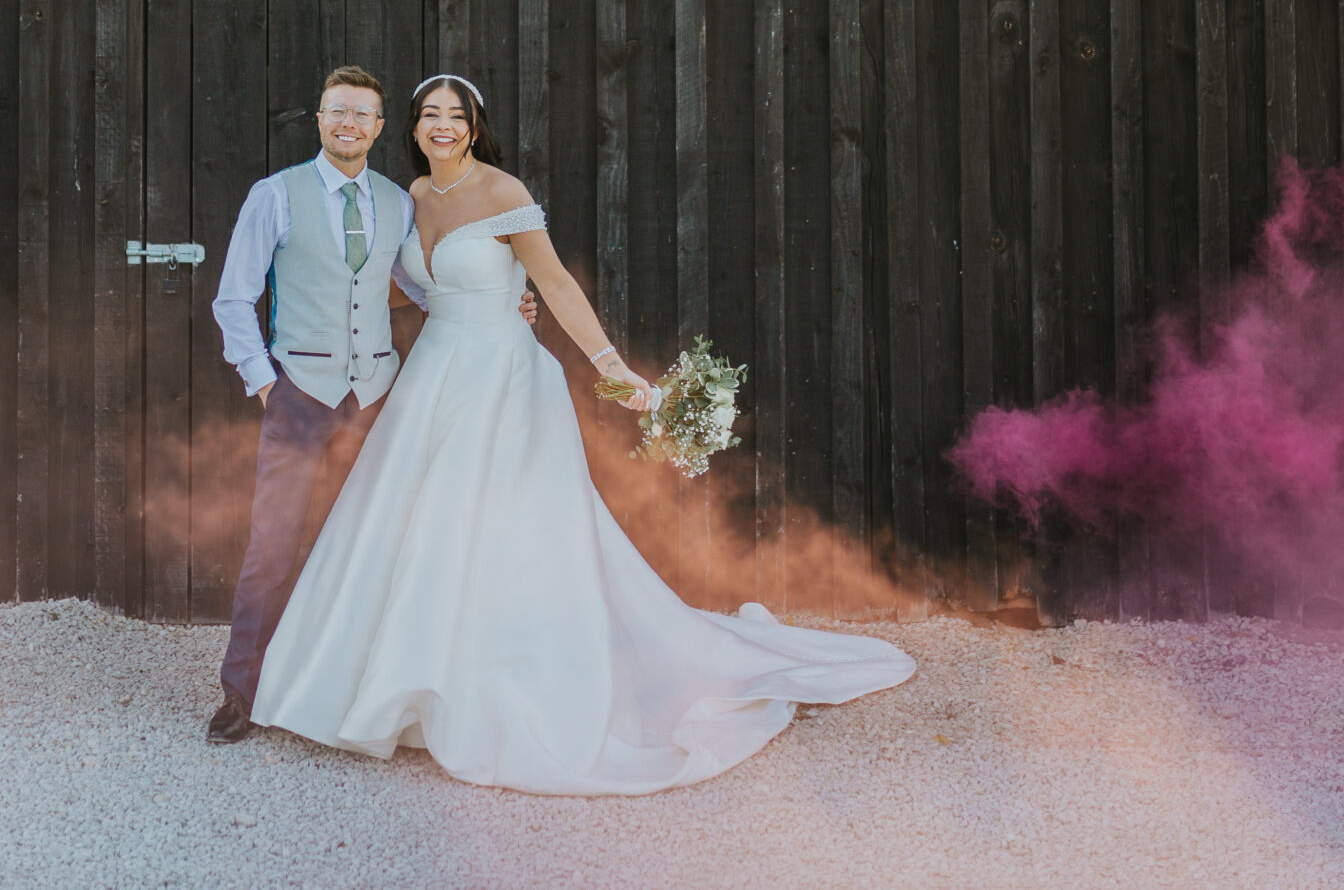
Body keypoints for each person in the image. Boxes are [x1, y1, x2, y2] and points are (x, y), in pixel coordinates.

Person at [247, 73, 917, 795]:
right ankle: (404, 688)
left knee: (511, 531)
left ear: (475, 127)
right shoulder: (407, 200)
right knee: (419, 530)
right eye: (430, 116)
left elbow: (557, 284)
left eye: (456, 115)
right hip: (431, 377)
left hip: (503, 376)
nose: (443, 126)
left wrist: (612, 367)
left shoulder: (505, 194)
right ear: (410, 130)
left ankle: (499, 686)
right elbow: (387, 283)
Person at [204, 64, 539, 745]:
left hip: (380, 398)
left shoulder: (397, 200)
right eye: (338, 112)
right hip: (301, 394)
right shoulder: (276, 195)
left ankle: (340, 689)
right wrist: (266, 382)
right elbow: (233, 297)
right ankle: (241, 690)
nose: (350, 123)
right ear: (320, 119)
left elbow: (420, 284)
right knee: (273, 544)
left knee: (366, 546)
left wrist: (508, 301)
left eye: (363, 114)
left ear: (382, 127)